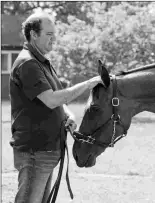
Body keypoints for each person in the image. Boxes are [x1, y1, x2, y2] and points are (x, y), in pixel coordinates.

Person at [9, 11, 103, 203]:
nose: (54, 39)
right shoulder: (28, 64)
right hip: (35, 152)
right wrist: (87, 84)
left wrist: (67, 115)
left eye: (55, 34)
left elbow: (58, 99)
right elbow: (51, 99)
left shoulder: (42, 62)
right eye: (49, 35)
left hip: (45, 151)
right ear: (33, 34)